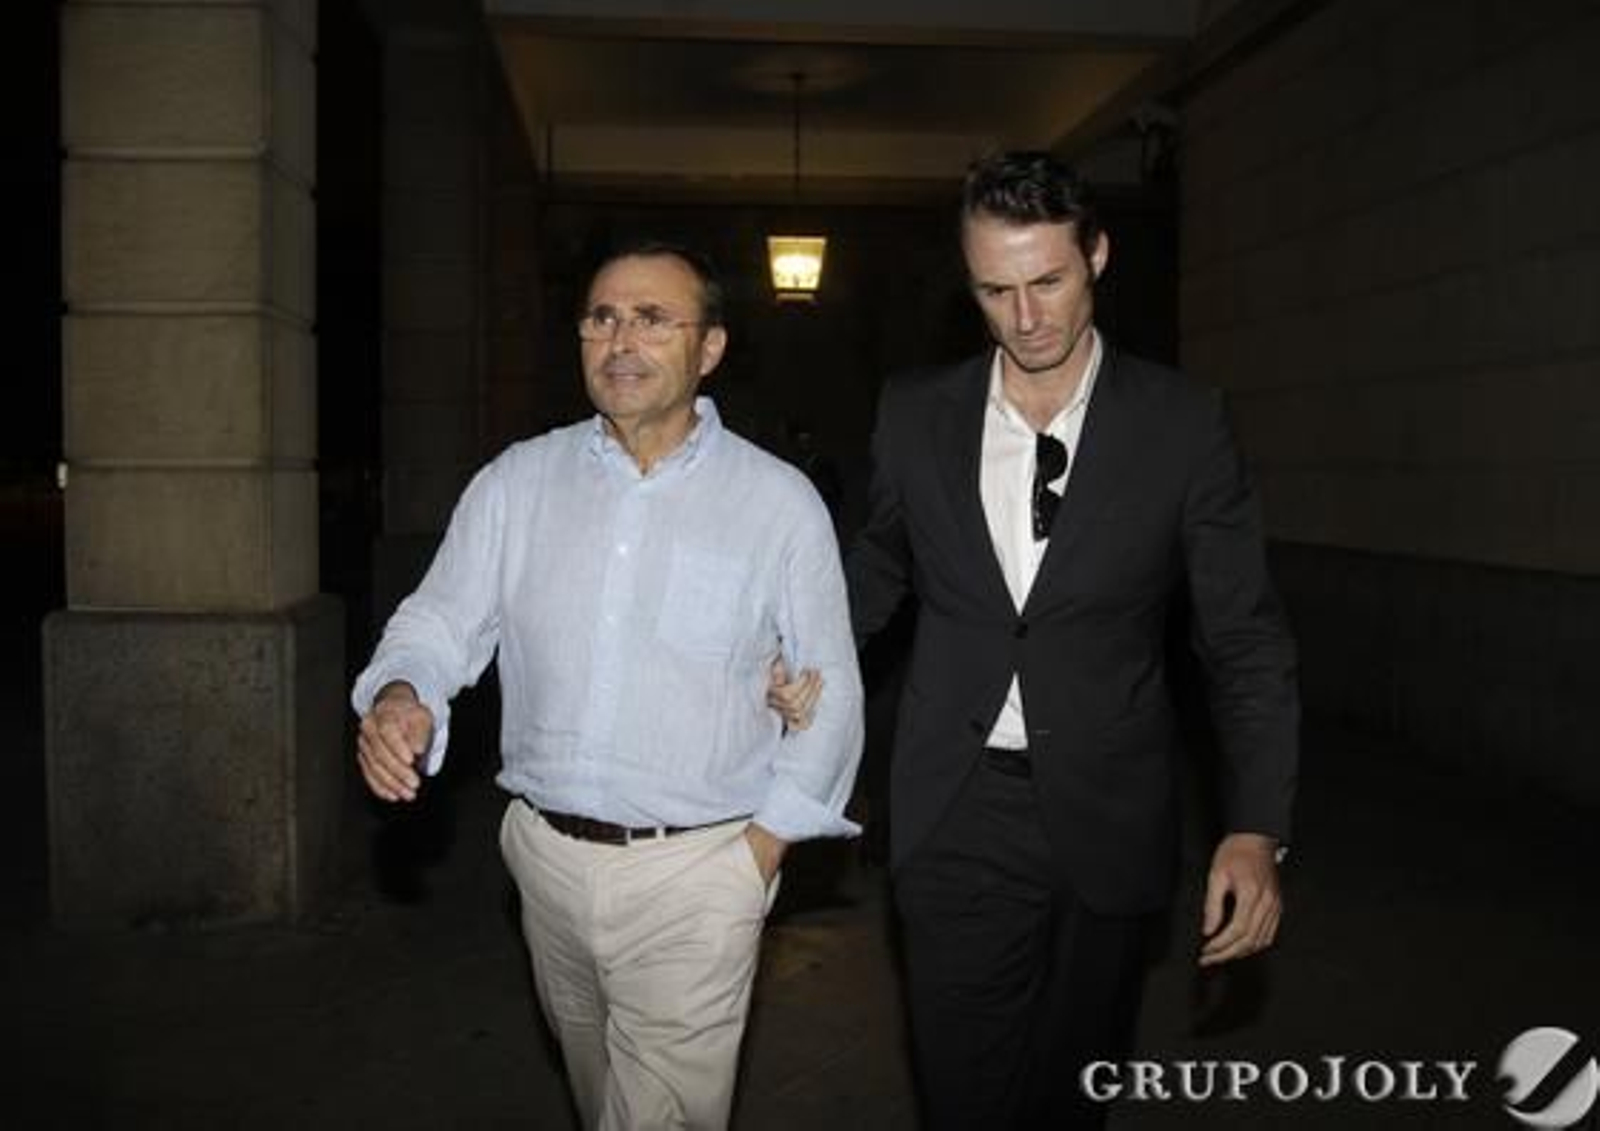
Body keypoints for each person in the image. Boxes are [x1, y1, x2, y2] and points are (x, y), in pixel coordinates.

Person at [774, 151, 1299, 1129]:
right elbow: (878, 567)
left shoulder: (1182, 425)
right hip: (954, 806)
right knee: (963, 1090)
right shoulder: (917, 413)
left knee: (1068, 1094)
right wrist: (799, 654)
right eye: (995, 291)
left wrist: (1254, 826)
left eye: (1048, 281)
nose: (1026, 318)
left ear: (1095, 254)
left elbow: (1243, 640)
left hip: (1108, 807)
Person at [352, 241, 864, 1131]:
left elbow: (831, 690)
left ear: (708, 349)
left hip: (698, 872)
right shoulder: (516, 483)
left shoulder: (776, 503)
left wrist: (761, 852)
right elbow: (438, 622)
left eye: (652, 318)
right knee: (598, 1097)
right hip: (544, 863)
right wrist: (403, 691)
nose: (620, 338)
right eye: (602, 317)